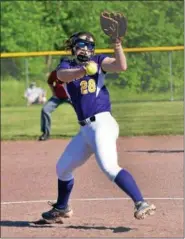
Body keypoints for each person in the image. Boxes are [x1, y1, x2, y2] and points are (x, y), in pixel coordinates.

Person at [40, 31, 156, 224]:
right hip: (86, 130)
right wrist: (84, 70)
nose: (85, 48)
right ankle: (62, 207)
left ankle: (141, 203)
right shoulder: (67, 64)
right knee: (62, 168)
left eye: (90, 45)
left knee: (110, 168)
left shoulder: (98, 61)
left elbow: (121, 66)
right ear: (74, 46)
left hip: (102, 123)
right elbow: (62, 76)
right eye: (81, 44)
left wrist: (117, 45)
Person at [38, 67, 72, 141]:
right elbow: (50, 82)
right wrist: (53, 91)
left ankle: (88, 132)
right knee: (45, 110)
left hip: (71, 97)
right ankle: (46, 133)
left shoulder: (73, 72)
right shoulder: (55, 73)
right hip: (58, 97)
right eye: (61, 66)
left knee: (83, 110)